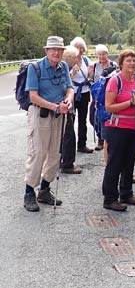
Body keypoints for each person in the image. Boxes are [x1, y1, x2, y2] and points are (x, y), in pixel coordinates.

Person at [23, 36, 74, 212]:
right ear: (46, 51)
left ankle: (44, 189)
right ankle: (29, 192)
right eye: (53, 49)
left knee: (55, 153)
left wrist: (68, 101)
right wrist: (55, 106)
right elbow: (33, 96)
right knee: (38, 153)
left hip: (59, 115)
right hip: (40, 114)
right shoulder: (35, 68)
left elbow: (69, 88)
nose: (56, 52)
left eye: (59, 49)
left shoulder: (64, 66)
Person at [101, 49, 135, 211]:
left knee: (129, 162)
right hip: (117, 128)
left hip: (134, 127)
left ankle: (126, 194)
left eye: (134, 61)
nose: (132, 64)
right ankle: (109, 199)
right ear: (121, 64)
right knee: (115, 163)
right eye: (128, 61)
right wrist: (131, 102)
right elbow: (109, 107)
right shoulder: (115, 81)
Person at [90, 44, 117, 151]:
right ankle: (100, 135)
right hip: (97, 95)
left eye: (104, 54)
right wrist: (94, 86)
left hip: (110, 94)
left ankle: (104, 139)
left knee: (107, 116)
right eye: (99, 54)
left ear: (107, 54)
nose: (102, 56)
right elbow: (90, 78)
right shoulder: (95, 66)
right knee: (93, 117)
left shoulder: (113, 65)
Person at [69, 37, 94, 154]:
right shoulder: (69, 60)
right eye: (77, 47)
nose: (79, 50)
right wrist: (72, 72)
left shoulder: (86, 60)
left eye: (81, 47)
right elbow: (67, 78)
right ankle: (68, 146)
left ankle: (82, 144)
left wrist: (90, 72)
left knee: (83, 120)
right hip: (72, 93)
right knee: (71, 120)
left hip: (84, 92)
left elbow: (89, 77)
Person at [60, 46, 82, 174]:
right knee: (68, 134)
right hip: (65, 105)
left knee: (61, 134)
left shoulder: (60, 67)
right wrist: (73, 73)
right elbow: (66, 85)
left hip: (60, 105)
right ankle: (67, 163)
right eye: (75, 57)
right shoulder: (65, 68)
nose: (77, 59)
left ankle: (60, 160)